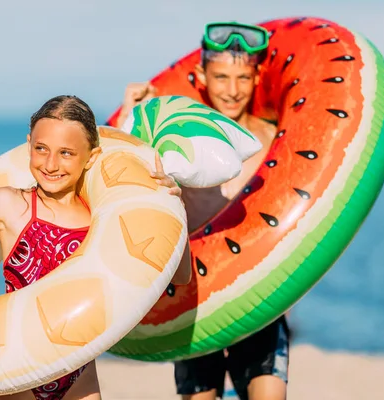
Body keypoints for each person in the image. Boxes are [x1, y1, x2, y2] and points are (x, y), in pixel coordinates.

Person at [0, 94, 188, 400]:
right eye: (41, 149)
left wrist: (173, 205)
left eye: (67, 153)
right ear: (29, 144)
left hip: (79, 377)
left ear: (91, 157)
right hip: (15, 376)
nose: (51, 164)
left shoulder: (100, 218)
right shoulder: (10, 205)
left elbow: (180, 275)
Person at [115, 22, 290, 400]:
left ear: (257, 76)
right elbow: (121, 174)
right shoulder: (178, 138)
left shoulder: (277, 136)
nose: (232, 90)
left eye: (243, 77)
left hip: (260, 291)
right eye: (221, 76)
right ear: (201, 76)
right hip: (195, 295)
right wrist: (130, 114)